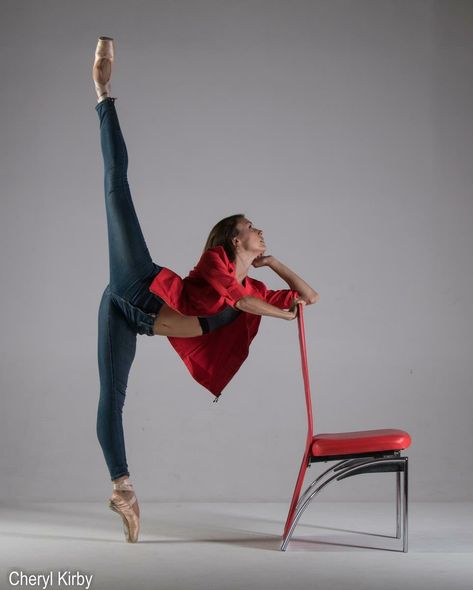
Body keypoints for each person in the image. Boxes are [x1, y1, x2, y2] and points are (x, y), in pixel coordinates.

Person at [92, 36, 319, 543]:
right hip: (135, 283)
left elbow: (310, 298)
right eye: (254, 228)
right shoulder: (217, 263)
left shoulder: (255, 280)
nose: (261, 232)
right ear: (235, 238)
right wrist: (279, 316)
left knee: (114, 395)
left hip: (132, 317)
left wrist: (278, 262)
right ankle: (104, 92)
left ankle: (123, 490)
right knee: (117, 187)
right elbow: (240, 301)